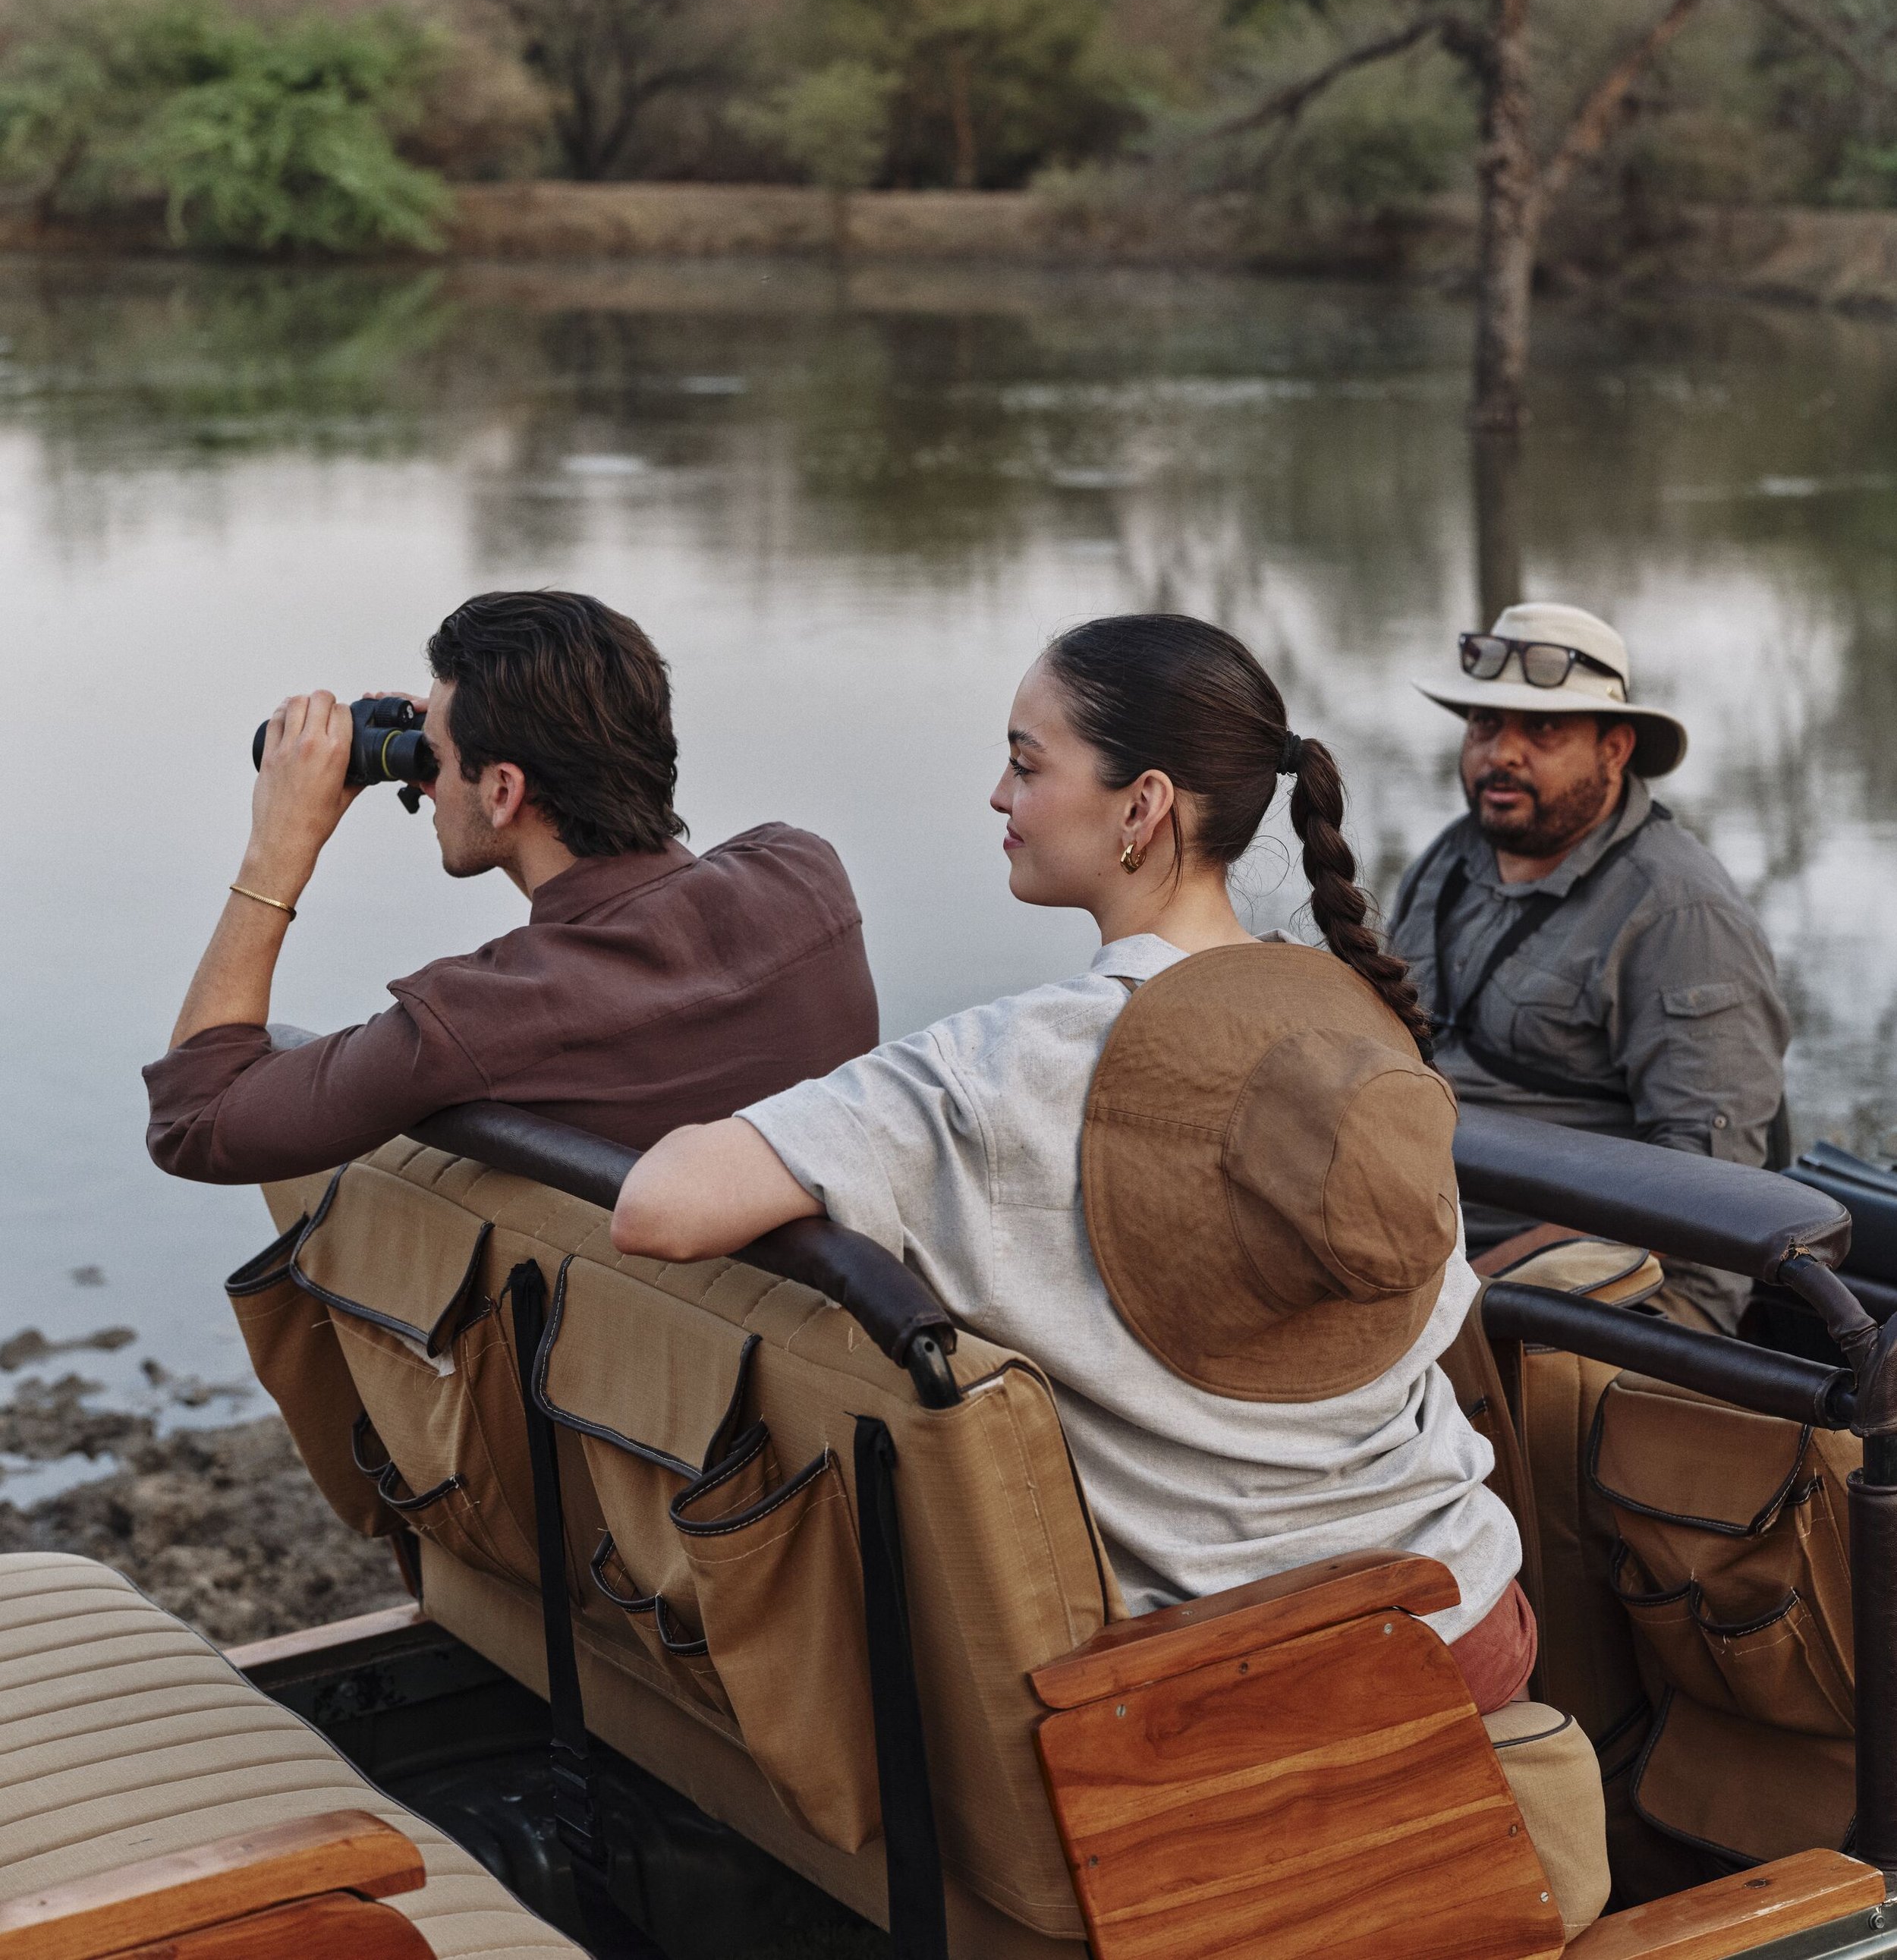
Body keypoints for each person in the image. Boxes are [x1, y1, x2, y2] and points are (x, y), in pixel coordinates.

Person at [609, 612, 1532, 1705]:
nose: (999, 798)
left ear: (1142, 806)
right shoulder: (1360, 1028)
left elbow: (660, 1206)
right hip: (1472, 1611)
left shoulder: (1014, 1060)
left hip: (1251, 1676)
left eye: (1023, 763)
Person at [144, 589, 878, 1182]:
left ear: (502, 791)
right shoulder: (805, 874)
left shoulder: (484, 1018)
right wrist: (456, 741)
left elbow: (192, 1119)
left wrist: (278, 849)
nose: (426, 779)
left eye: (434, 757)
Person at [1390, 600, 1789, 1332]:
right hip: (1419, 1242)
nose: (1501, 753)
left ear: (1615, 749)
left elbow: (1710, 1197)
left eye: (1541, 729)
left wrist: (1478, 1287)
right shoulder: (1450, 858)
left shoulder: (1681, 916)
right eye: (1485, 725)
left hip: (1619, 1286)